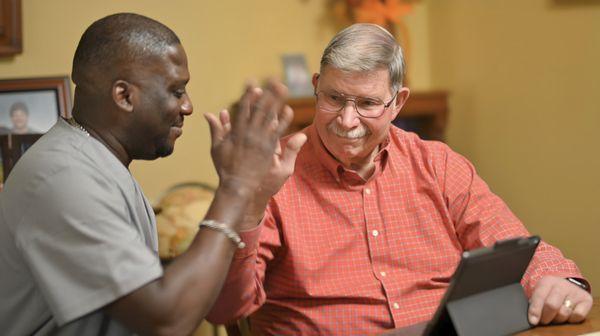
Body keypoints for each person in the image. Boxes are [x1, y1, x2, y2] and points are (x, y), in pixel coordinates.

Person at [206, 23, 593, 335]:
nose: (347, 120)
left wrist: (561, 282)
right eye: (334, 98)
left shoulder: (437, 164)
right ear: (315, 87)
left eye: (368, 103)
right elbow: (225, 308)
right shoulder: (271, 172)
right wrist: (249, 203)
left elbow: (512, 243)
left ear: (399, 102)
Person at [0, 13, 306, 336]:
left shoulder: (96, 161)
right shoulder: (62, 178)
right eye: (177, 91)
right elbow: (166, 321)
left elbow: (159, 289)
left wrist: (251, 195)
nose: (188, 106)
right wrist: (235, 186)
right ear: (124, 96)